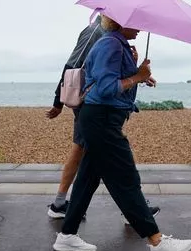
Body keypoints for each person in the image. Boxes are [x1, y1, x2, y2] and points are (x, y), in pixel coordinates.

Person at [52, 20, 191, 251]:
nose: (140, 27)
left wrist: (139, 75)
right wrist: (137, 76)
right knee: (125, 177)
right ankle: (156, 241)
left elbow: (109, 81)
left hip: (98, 119)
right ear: (118, 22)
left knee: (87, 178)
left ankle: (66, 235)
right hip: (102, 120)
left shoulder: (118, 44)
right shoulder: (111, 45)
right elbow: (106, 88)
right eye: (135, 23)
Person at [45, 15, 159, 223]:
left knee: (92, 161)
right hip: (92, 103)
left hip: (102, 105)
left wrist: (137, 72)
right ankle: (60, 204)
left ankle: (67, 215)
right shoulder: (96, 33)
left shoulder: (115, 39)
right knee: (90, 152)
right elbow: (73, 64)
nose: (140, 28)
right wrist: (58, 101)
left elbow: (110, 71)